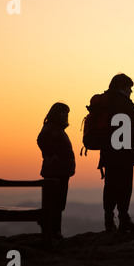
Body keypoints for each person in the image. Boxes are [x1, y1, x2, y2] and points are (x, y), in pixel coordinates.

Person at [98, 73, 134, 233]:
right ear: (122, 87)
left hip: (108, 153)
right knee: (124, 186)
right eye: (129, 87)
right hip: (124, 154)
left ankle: (109, 221)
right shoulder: (125, 104)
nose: (131, 91)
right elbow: (132, 131)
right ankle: (124, 219)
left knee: (110, 186)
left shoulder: (106, 102)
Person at [37, 102, 76, 239]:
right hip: (55, 172)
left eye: (67, 112)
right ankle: (53, 232)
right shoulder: (52, 128)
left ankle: (54, 231)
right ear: (56, 113)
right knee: (56, 203)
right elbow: (41, 140)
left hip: (60, 172)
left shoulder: (56, 128)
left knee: (57, 204)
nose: (66, 115)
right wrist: (52, 156)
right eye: (63, 112)